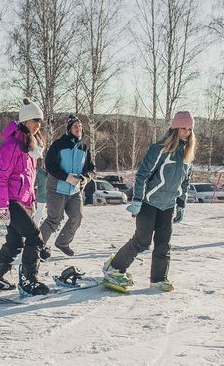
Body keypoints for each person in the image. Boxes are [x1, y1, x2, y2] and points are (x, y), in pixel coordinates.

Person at [102, 111, 196, 292]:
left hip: (168, 205)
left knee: (163, 243)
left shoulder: (187, 155)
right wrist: (137, 200)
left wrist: (181, 204)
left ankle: (159, 279)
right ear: (175, 128)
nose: (186, 132)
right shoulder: (160, 149)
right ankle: (114, 268)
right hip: (149, 202)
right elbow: (143, 174)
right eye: (183, 128)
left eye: (189, 129)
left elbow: (185, 181)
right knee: (142, 241)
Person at [0, 98, 49, 296]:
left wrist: (31, 200)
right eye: (35, 120)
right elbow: (0, 178)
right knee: (34, 238)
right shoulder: (11, 145)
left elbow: (27, 179)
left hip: (22, 201)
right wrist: (3, 207)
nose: (38, 125)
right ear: (25, 121)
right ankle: (29, 281)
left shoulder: (30, 147)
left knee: (14, 241)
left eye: (40, 121)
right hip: (10, 201)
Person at [39, 114, 95, 256]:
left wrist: (86, 178)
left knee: (78, 216)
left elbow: (91, 168)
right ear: (69, 129)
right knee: (54, 220)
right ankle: (36, 246)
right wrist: (66, 177)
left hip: (75, 190)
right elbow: (49, 165)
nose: (79, 129)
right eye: (76, 126)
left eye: (80, 126)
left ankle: (63, 242)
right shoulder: (59, 144)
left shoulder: (84, 146)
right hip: (57, 188)